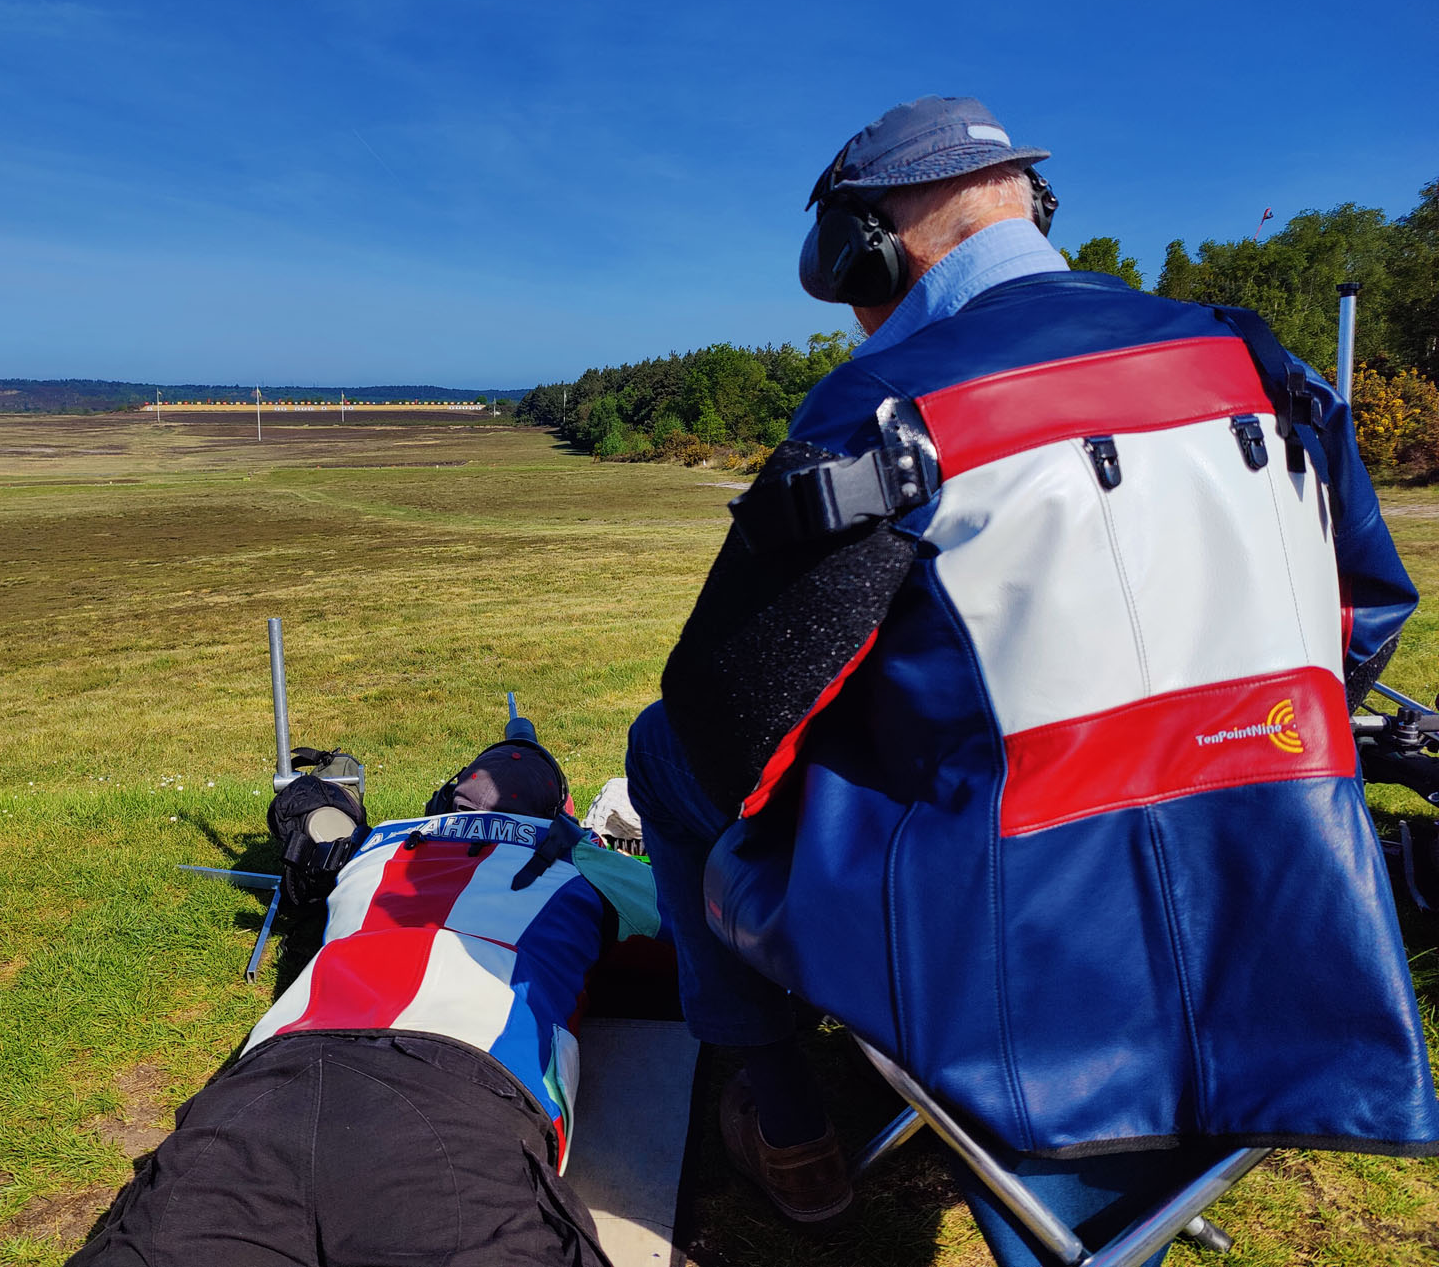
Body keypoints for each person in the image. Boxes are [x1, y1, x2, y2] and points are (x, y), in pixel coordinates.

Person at [626, 95, 1439, 1257]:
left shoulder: (885, 410)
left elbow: (728, 726)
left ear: (868, 245)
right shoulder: (1260, 358)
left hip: (1013, 947)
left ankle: (786, 1108)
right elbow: (1366, 619)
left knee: (662, 755)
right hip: (1288, 885)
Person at [70, 735, 661, 1267]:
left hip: (270, 1079)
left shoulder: (375, 844)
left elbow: (306, 817)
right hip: (463, 1088)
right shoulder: (584, 859)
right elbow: (704, 923)